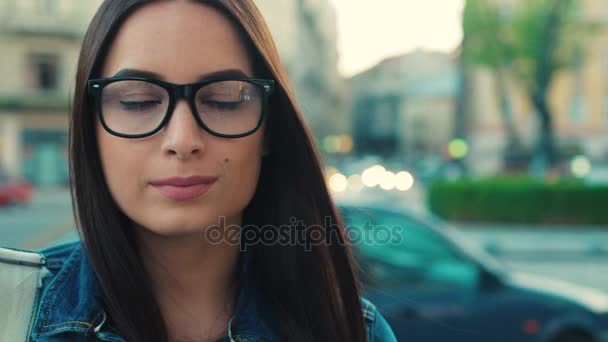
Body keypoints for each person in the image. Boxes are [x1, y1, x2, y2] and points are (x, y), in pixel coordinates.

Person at [1, 0, 398, 341]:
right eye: (138, 101)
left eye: (224, 101)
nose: (183, 138)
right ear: (92, 132)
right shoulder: (12, 310)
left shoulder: (352, 329)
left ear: (269, 131)